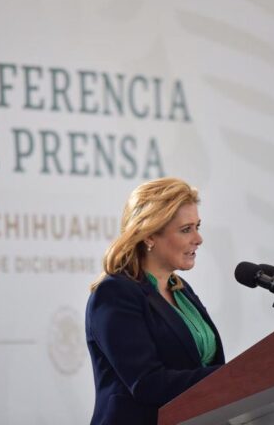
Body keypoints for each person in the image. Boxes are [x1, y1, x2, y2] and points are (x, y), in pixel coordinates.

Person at [85, 177, 225, 425]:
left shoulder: (182, 291)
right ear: (149, 236)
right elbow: (147, 383)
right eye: (186, 229)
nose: (198, 239)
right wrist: (228, 377)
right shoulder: (114, 293)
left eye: (197, 226)